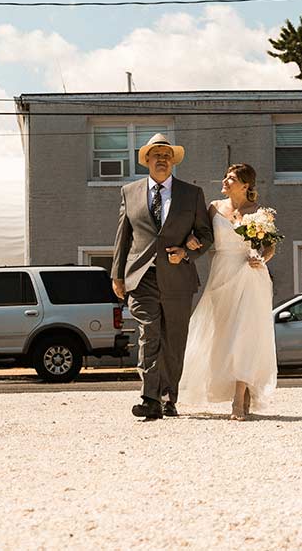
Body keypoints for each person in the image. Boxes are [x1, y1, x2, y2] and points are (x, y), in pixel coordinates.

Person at [111, 133, 215, 421]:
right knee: (148, 335)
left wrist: (186, 252)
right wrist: (117, 275)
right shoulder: (129, 192)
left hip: (178, 278)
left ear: (173, 162)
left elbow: (206, 235)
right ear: (147, 160)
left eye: (167, 155)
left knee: (174, 339)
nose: (162, 159)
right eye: (157, 155)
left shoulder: (191, 194)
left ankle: (170, 398)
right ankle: (149, 398)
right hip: (141, 277)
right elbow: (123, 237)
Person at [177, 163, 278, 420]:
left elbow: (269, 248)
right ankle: (241, 392)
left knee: (244, 334)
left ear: (245, 185)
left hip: (251, 275)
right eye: (226, 176)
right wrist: (190, 240)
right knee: (224, 336)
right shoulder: (213, 207)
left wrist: (262, 260)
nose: (225, 180)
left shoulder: (259, 213)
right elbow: (200, 234)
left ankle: (238, 399)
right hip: (222, 274)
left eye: (231, 178)